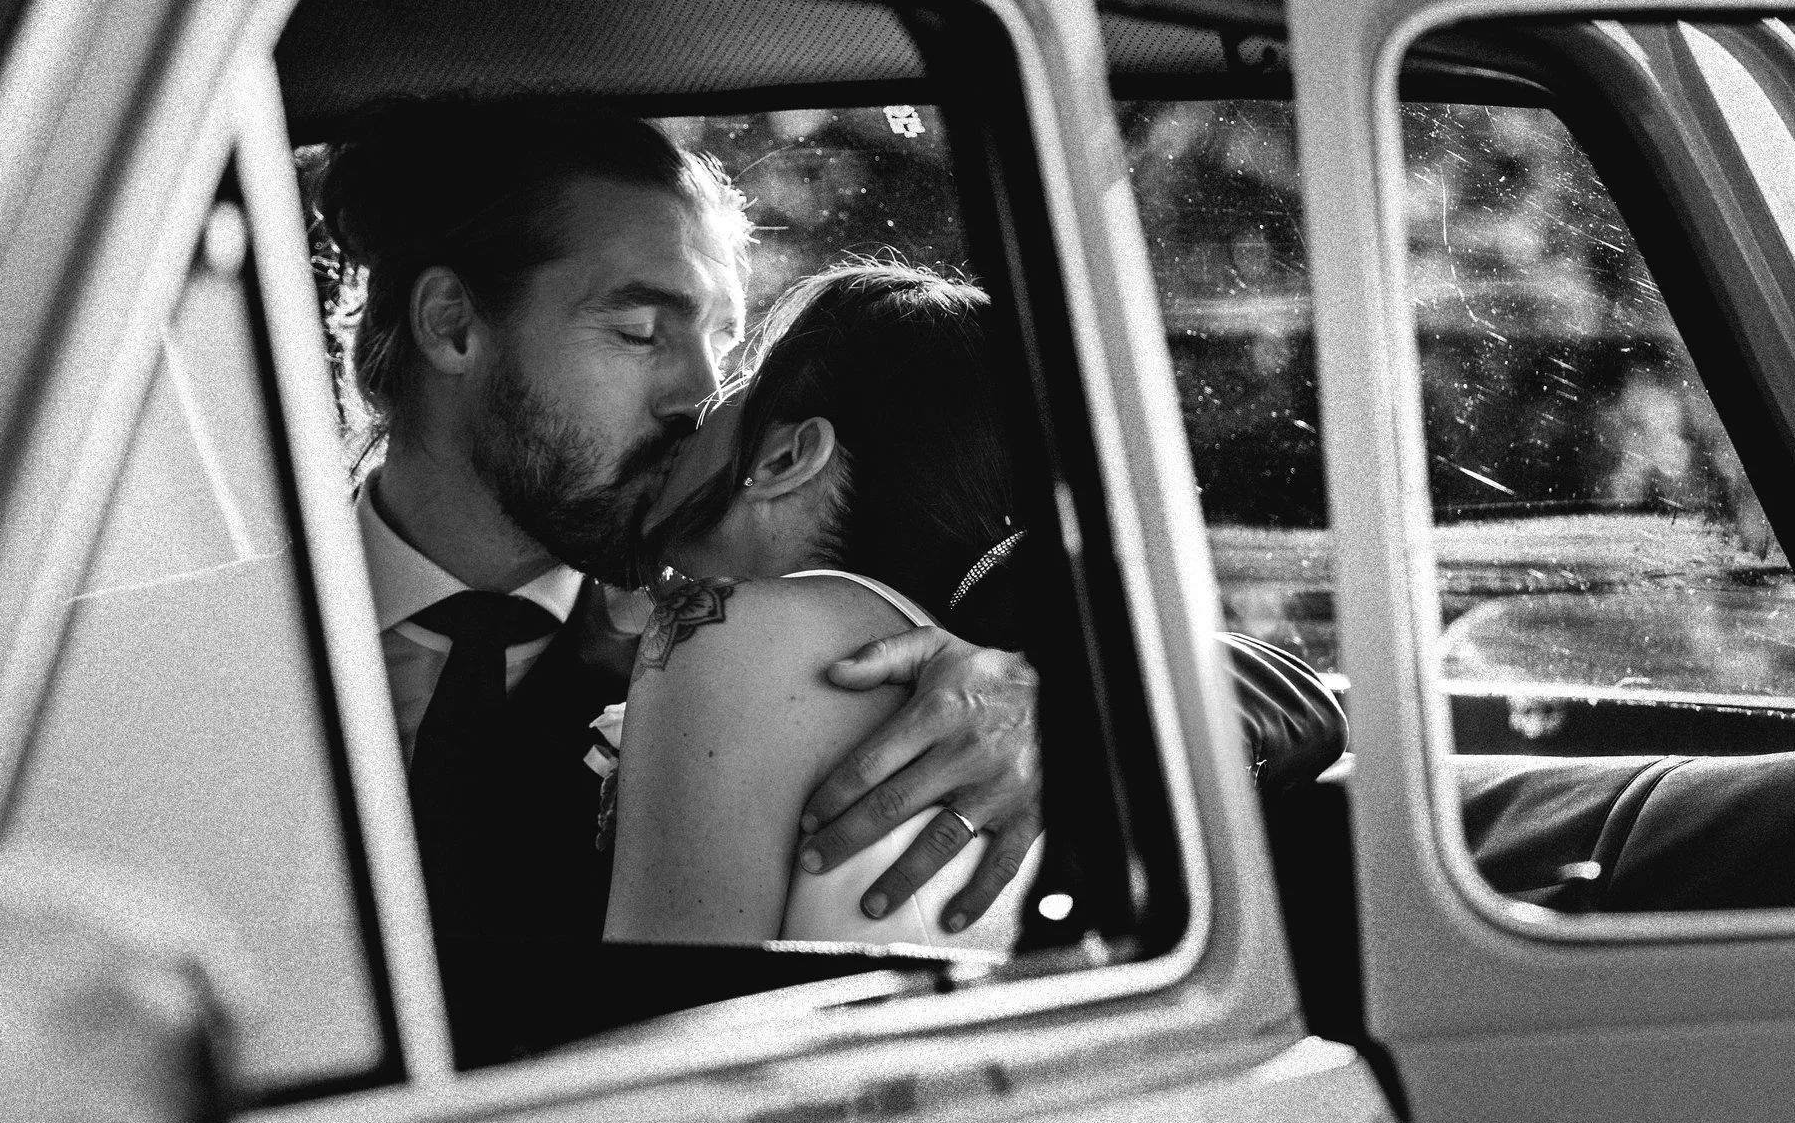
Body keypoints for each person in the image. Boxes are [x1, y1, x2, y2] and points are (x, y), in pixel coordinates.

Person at [314, 98, 1341, 1061]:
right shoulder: (198, 648)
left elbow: (1280, 685)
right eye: (640, 330)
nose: (697, 391)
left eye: (721, 337)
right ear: (453, 324)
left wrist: (1081, 701)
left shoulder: (774, 620)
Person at [604, 263, 1072, 947]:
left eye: (747, 378)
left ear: (788, 457)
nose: (701, 402)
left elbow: (661, 1016)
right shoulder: (987, 688)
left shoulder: (734, 636)